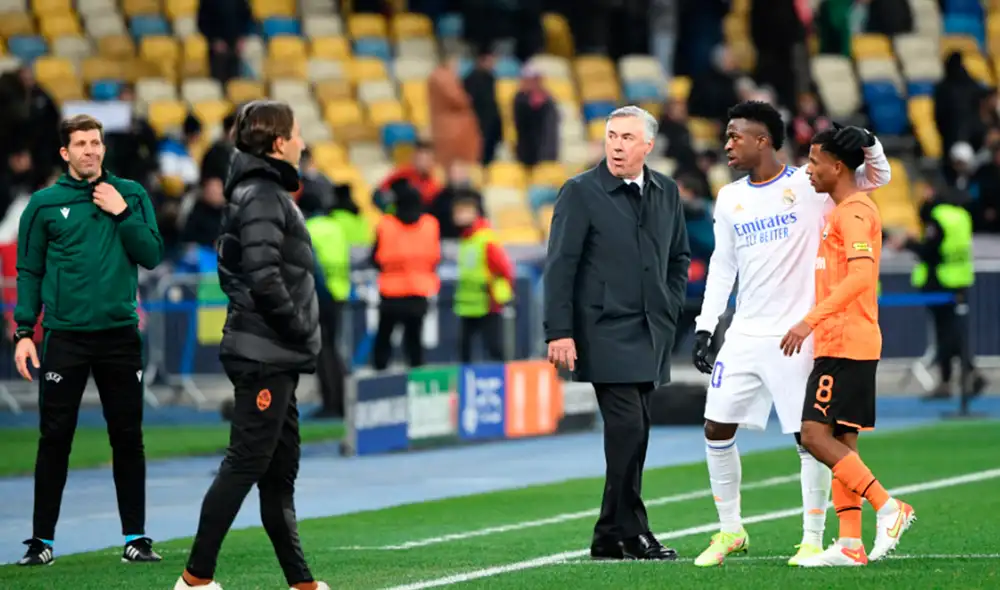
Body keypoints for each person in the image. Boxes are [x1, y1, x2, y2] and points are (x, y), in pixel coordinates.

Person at [690, 101, 891, 567]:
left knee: (808, 436)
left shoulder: (810, 182)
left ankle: (812, 537)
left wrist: (869, 141)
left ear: (762, 139)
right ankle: (730, 530)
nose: (726, 144)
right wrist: (706, 325)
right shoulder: (729, 198)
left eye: (734, 135)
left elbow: (876, 177)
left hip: (797, 333)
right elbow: (723, 266)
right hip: (744, 332)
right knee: (715, 427)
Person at [175, 101, 330, 590]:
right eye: (298, 133)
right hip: (265, 351)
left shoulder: (256, 192)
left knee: (278, 473)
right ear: (279, 142)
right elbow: (261, 277)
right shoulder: (262, 194)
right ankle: (195, 580)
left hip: (270, 352)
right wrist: (298, 327)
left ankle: (301, 583)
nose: (303, 142)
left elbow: (232, 268)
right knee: (246, 462)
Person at [14, 114, 164, 566]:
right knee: (54, 437)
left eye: (96, 142)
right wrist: (24, 332)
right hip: (65, 338)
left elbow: (151, 255)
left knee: (128, 437)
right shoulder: (43, 205)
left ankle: (135, 538)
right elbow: (29, 272)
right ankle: (42, 543)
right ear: (65, 152)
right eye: (81, 144)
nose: (90, 151)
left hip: (120, 336)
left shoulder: (131, 195)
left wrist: (120, 211)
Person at [544, 105, 690, 561]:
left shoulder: (666, 191)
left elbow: (679, 257)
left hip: (651, 329)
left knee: (637, 431)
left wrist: (668, 303)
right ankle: (635, 530)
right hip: (603, 329)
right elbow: (560, 266)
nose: (617, 145)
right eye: (611, 136)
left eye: (628, 137)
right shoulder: (581, 191)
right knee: (628, 429)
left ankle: (608, 534)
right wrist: (559, 331)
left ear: (648, 145)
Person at [780, 128, 915, 567]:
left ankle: (889, 506)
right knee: (841, 441)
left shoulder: (853, 212)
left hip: (844, 339)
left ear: (837, 166)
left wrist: (808, 321)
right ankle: (851, 544)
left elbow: (861, 276)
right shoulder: (844, 207)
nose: (808, 170)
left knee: (815, 435)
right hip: (843, 339)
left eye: (814, 162)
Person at [888, 184, 985, 401]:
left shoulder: (937, 216)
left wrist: (909, 244)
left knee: (947, 335)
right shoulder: (960, 215)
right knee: (955, 331)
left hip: (941, 281)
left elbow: (930, 252)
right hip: (960, 279)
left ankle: (963, 375)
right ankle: (959, 377)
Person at [369, 179, 441, 370]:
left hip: (391, 293)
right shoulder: (430, 225)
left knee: (384, 337)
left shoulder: (386, 225)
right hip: (418, 291)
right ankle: (416, 378)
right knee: (414, 340)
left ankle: (379, 378)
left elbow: (374, 258)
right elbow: (436, 258)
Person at [300, 151, 350, 418]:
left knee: (322, 351)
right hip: (340, 292)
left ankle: (332, 403)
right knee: (333, 348)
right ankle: (342, 400)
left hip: (319, 295)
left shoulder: (308, 229)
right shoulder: (336, 227)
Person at [453, 193, 514, 362]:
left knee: (493, 346)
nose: (458, 216)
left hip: (486, 301)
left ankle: (501, 380)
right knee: (464, 347)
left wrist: (496, 292)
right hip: (467, 303)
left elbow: (503, 268)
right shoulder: (467, 238)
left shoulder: (485, 238)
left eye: (463, 211)